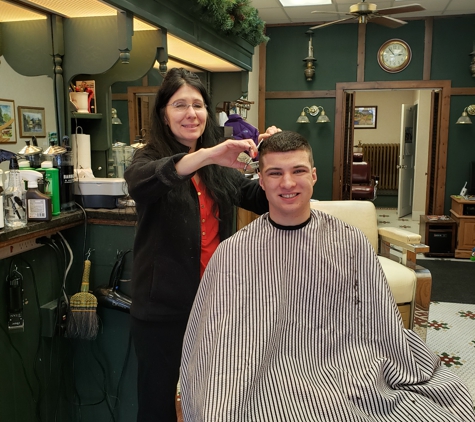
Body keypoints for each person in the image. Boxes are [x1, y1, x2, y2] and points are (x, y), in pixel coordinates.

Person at [180, 131, 475, 422]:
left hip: (343, 362)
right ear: (261, 180)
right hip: (261, 366)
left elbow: (381, 320)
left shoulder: (349, 241)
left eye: (298, 170)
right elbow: (212, 337)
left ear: (314, 176)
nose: (287, 183)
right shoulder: (233, 252)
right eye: (275, 173)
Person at [124, 67, 280, 422]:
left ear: (208, 112)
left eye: (198, 104)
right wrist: (208, 155)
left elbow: (258, 197)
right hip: (160, 311)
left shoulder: (218, 167)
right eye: (180, 105)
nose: (190, 113)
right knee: (157, 404)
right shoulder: (147, 160)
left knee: (211, 398)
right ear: (164, 114)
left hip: (213, 306)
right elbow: (143, 182)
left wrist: (276, 162)